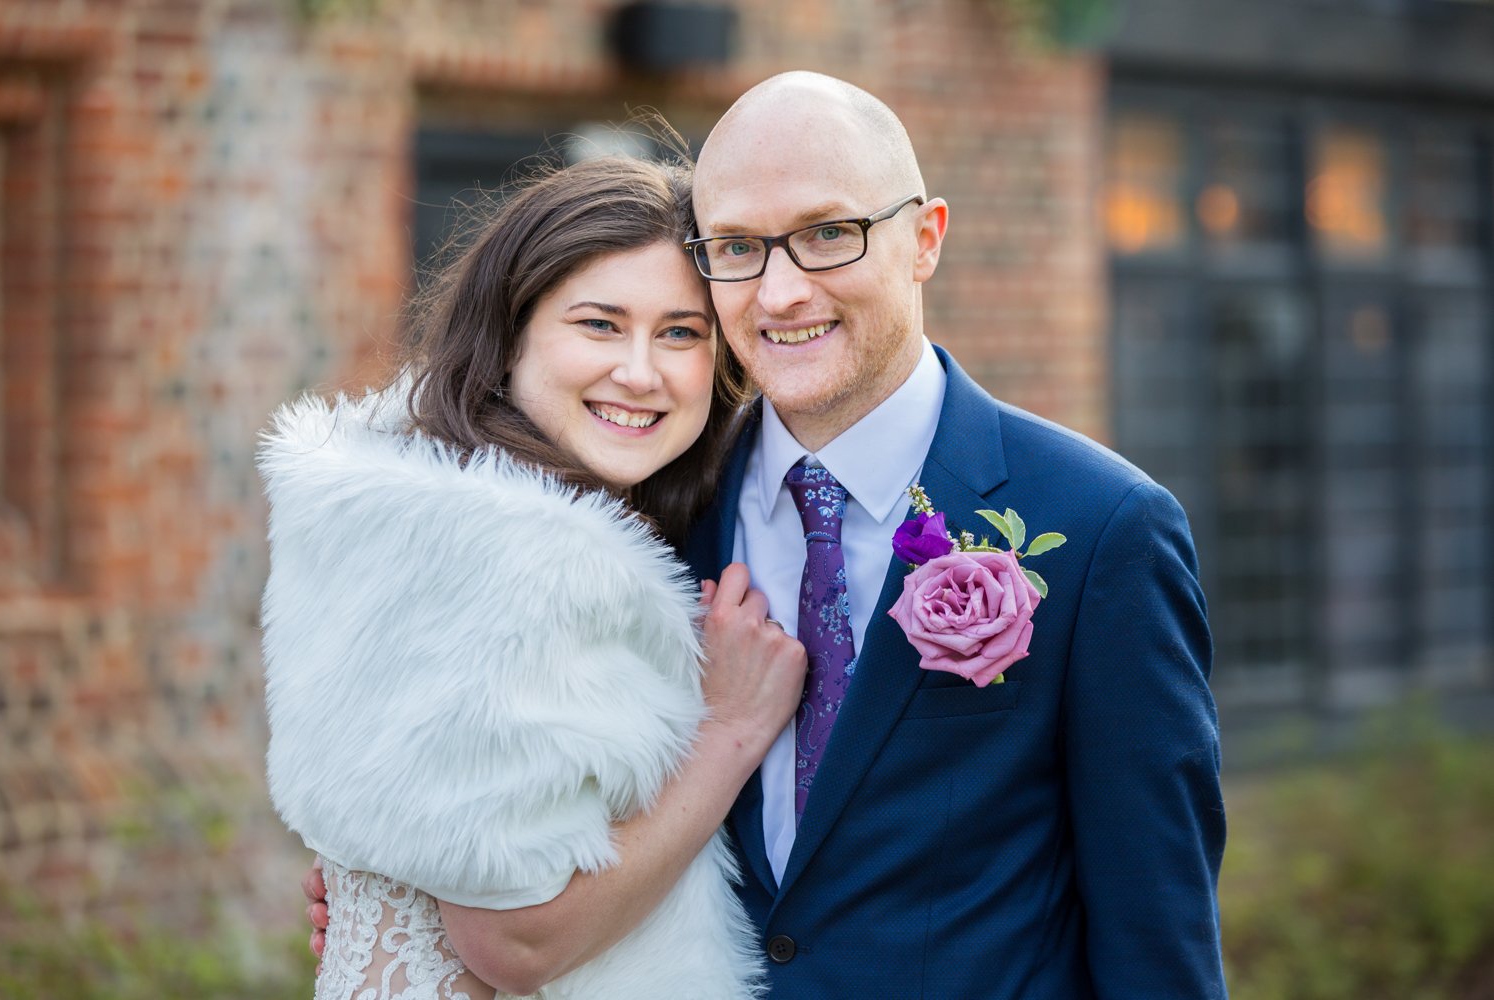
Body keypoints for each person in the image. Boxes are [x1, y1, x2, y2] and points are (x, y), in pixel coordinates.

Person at [306, 72, 1228, 998]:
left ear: (925, 239)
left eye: (829, 233)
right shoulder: (645, 507)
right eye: (739, 247)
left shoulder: (1103, 528)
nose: (782, 292)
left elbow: (1157, 938)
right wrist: (401, 891)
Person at [261, 151, 805, 999]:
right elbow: (514, 942)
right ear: (511, 332)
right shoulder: (521, 560)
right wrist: (731, 732)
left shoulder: (424, 510)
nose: (640, 371)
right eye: (598, 324)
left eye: (680, 333)